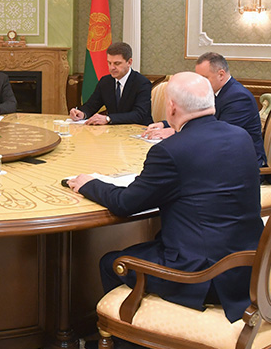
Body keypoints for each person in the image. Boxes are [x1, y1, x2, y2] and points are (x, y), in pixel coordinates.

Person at [67, 72, 263, 323]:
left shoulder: (170, 151)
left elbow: (125, 204)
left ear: (171, 107)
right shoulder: (240, 137)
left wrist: (90, 184)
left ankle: (126, 338)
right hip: (250, 266)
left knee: (112, 262)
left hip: (204, 274)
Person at [143, 52, 267, 167]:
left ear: (221, 75)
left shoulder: (239, 97)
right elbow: (194, 117)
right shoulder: (212, 91)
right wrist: (165, 124)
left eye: (204, 78)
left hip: (239, 164)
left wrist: (174, 132)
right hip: (215, 153)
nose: (200, 82)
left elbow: (219, 133)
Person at [69, 42, 152, 125]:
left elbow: (139, 114)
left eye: (117, 63)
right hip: (113, 130)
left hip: (140, 129)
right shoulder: (105, 82)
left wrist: (108, 118)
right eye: (109, 63)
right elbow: (92, 105)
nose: (112, 67)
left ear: (129, 62)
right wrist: (82, 113)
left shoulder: (142, 83)